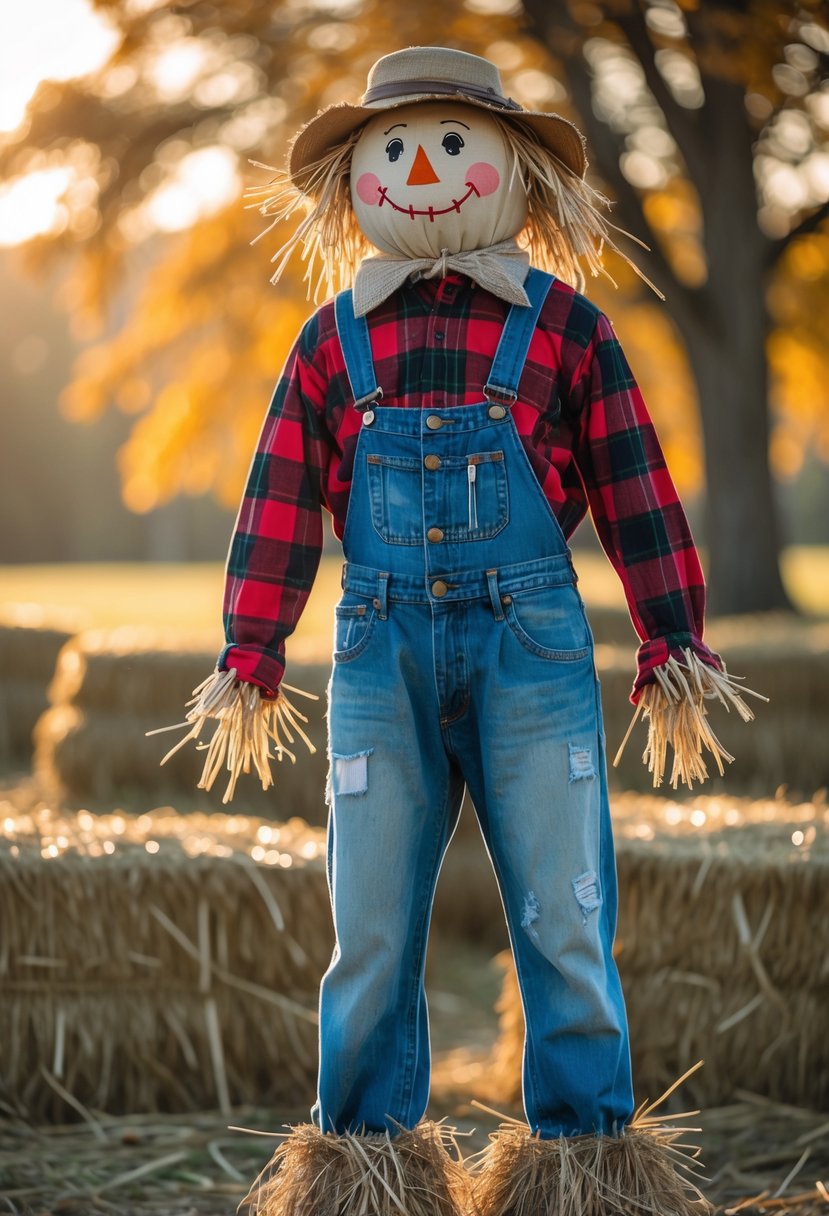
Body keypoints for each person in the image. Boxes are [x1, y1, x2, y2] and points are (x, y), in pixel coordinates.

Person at [167, 45, 759, 1216]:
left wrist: (670, 636)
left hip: (528, 652)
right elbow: (279, 497)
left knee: (562, 911)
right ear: (355, 183)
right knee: (371, 926)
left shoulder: (568, 330)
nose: (425, 169)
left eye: (451, 145)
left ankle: (585, 1168)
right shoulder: (328, 340)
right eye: (395, 149)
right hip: (378, 655)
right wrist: (252, 645)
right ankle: (367, 1169)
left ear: (512, 171)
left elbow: (634, 483)